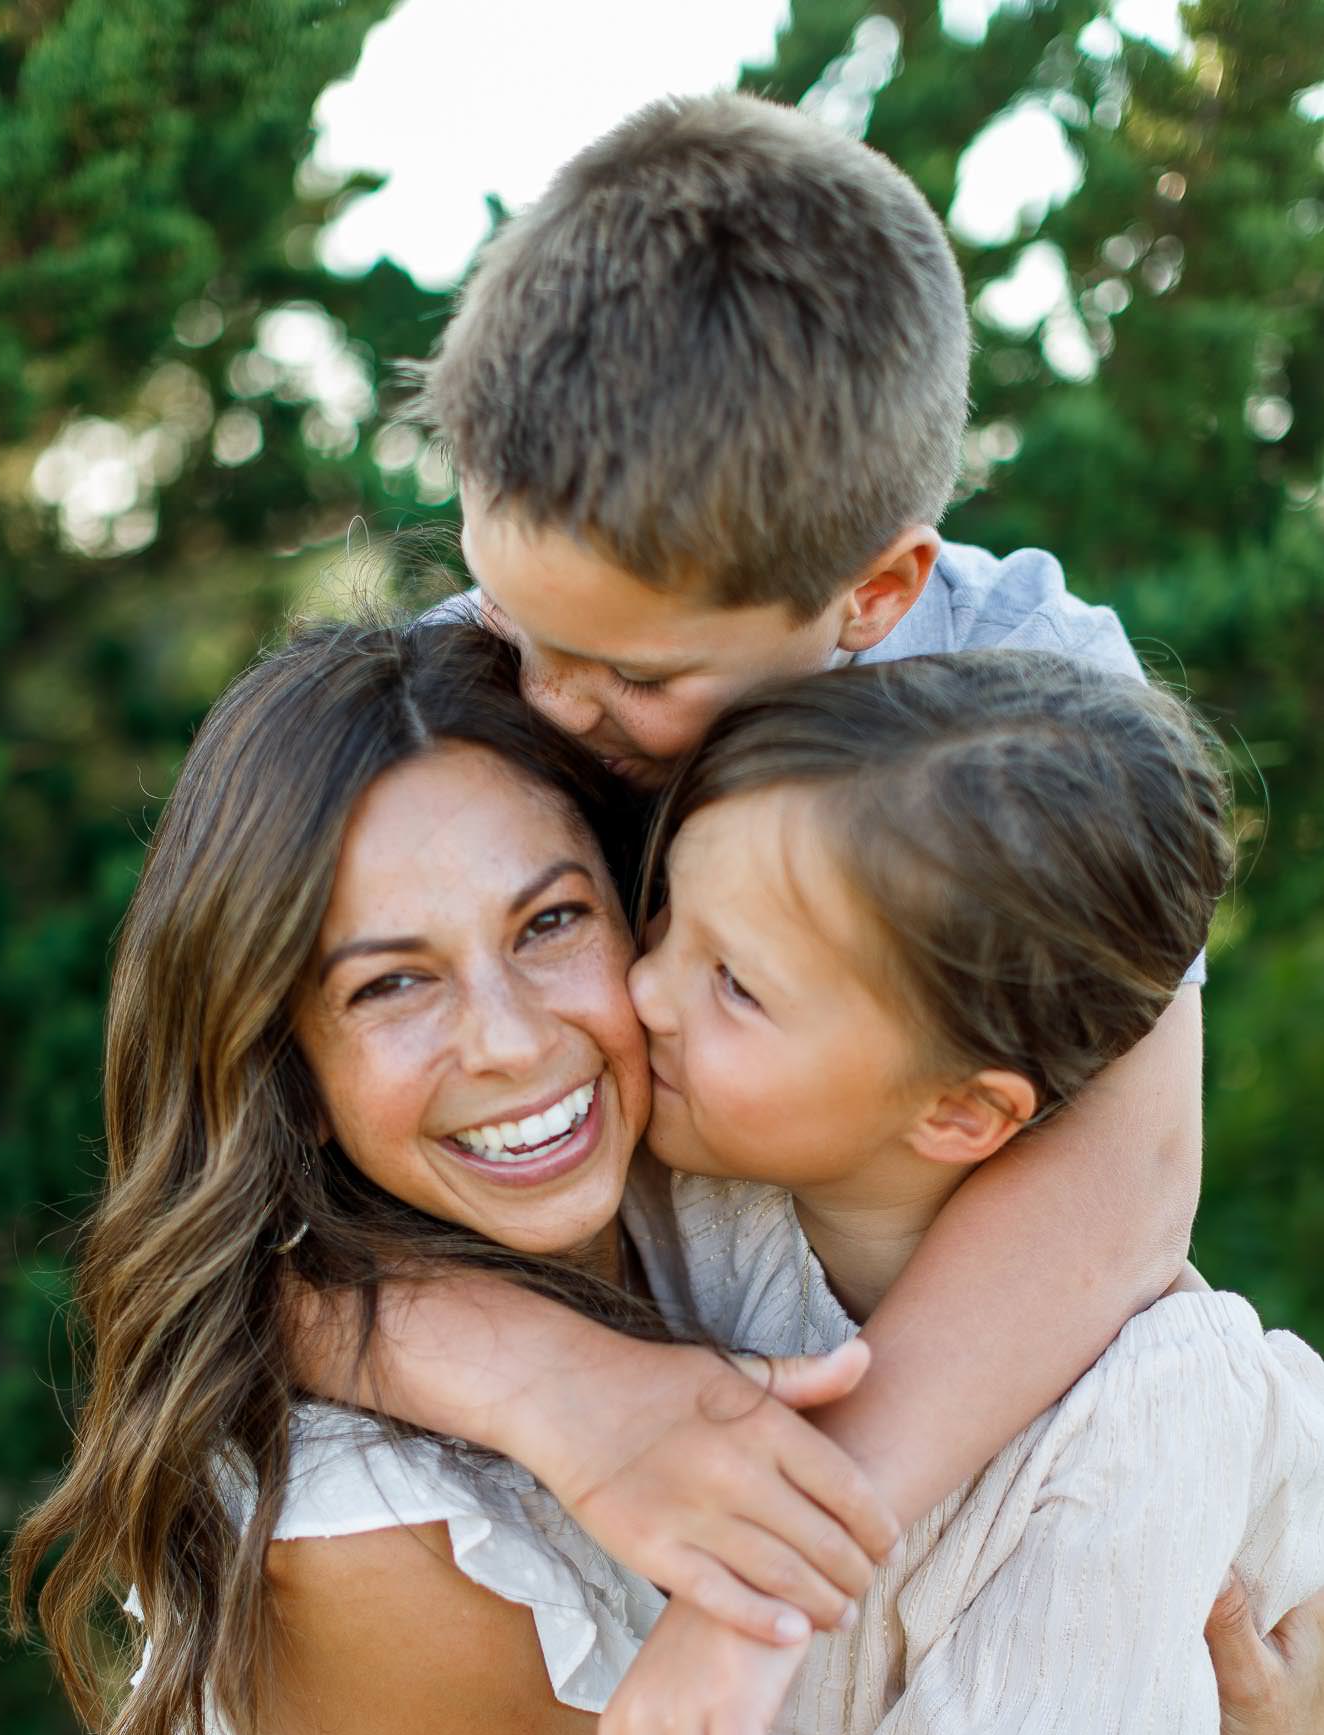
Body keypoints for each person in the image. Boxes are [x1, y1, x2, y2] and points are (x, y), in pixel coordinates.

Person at [8, 616, 1324, 1735]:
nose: (511, 1035)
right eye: (391, 982)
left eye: (553, 921)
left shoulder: (728, 1172)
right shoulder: (339, 1528)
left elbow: (1101, 1064)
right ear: (282, 1047)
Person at [322, 93, 1209, 1611]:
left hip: (947, 1478)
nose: (542, 700)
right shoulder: (456, 698)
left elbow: (1119, 1178)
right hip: (603, 1458)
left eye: (633, 676)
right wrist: (550, 1383)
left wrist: (793, 1565)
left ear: (875, 593)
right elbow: (225, 1202)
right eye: (508, 618)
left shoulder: (1026, 698)